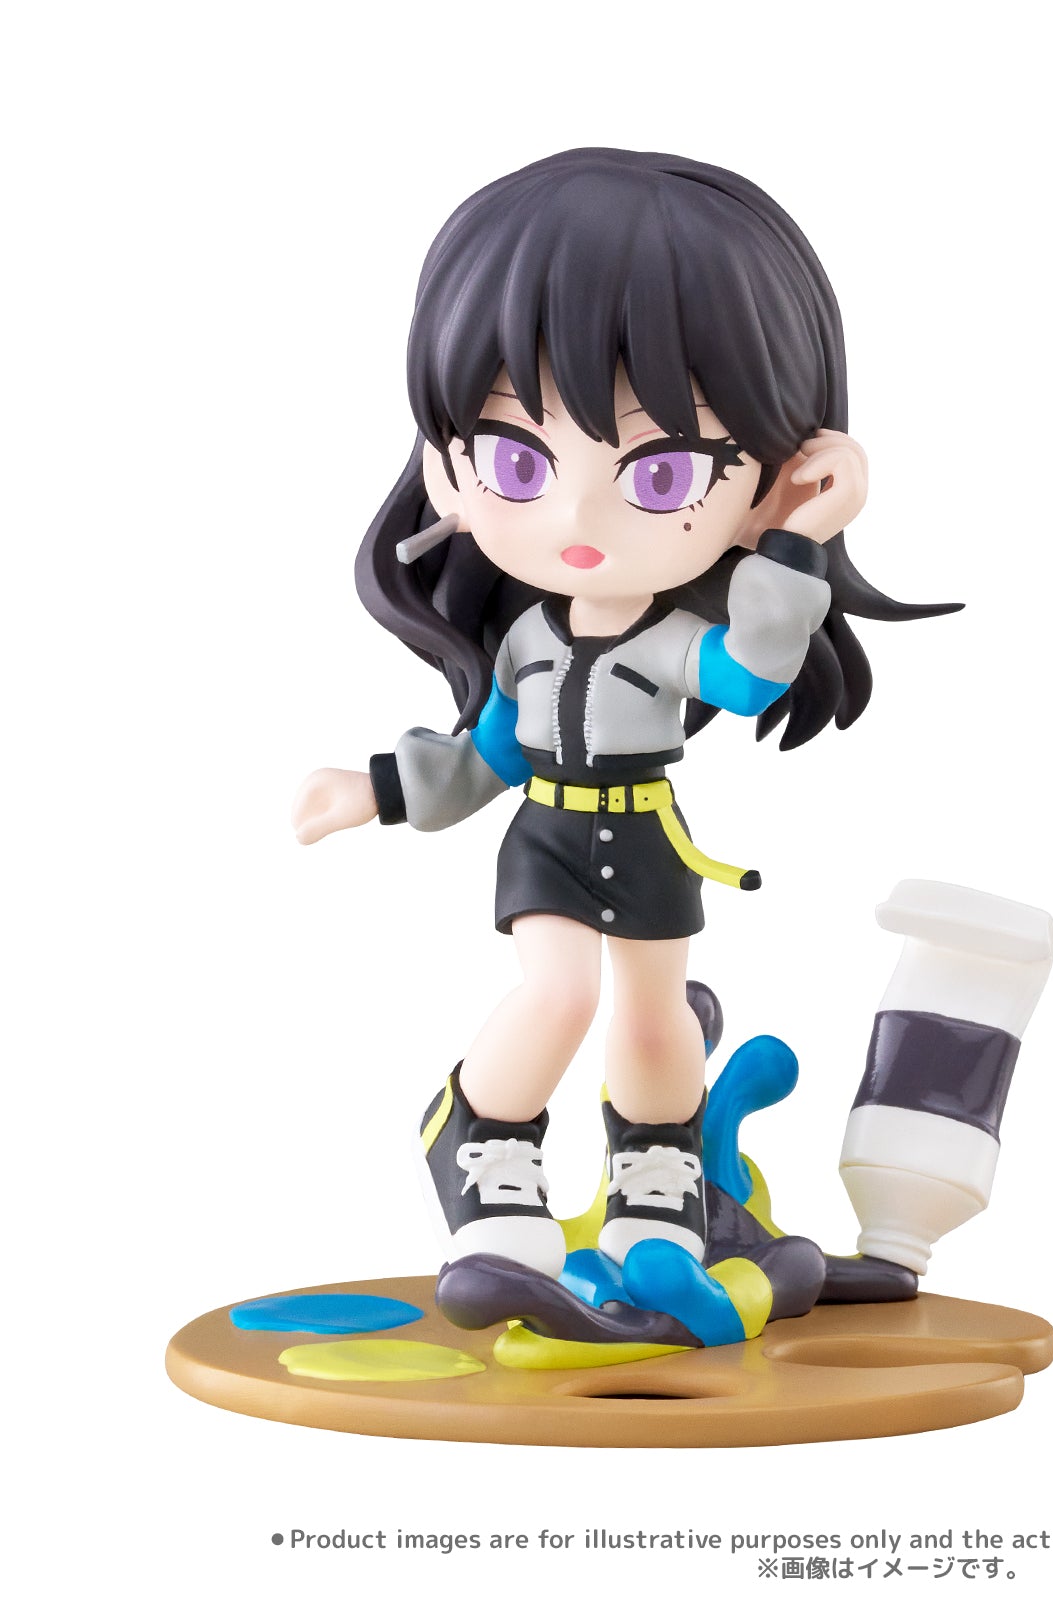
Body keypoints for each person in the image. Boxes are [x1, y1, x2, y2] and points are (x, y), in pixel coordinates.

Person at [291, 148, 957, 1279]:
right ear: (446, 473)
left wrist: (800, 538)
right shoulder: (527, 643)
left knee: (654, 1020)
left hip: (651, 836)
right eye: (517, 460)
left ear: (766, 479)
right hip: (548, 834)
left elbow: (750, 674)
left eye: (661, 475)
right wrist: (377, 789)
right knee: (559, 992)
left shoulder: (669, 640)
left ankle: (658, 1165)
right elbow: (489, 753)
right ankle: (482, 1138)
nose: (577, 518)